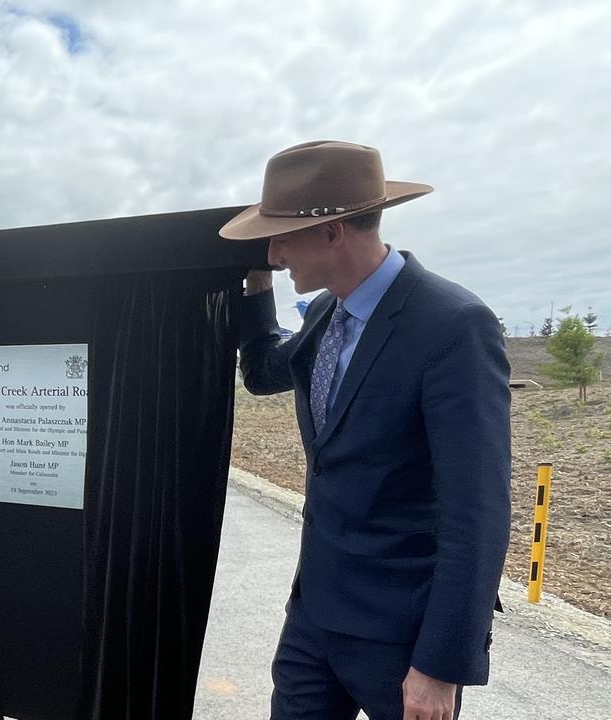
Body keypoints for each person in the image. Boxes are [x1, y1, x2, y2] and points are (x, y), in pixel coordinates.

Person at [219, 141, 511, 720]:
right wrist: (255, 286)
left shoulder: (452, 325)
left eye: (281, 237)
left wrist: (440, 665)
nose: (274, 253)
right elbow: (262, 373)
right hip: (313, 621)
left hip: (401, 642)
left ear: (333, 233)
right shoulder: (328, 314)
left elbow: (476, 512)